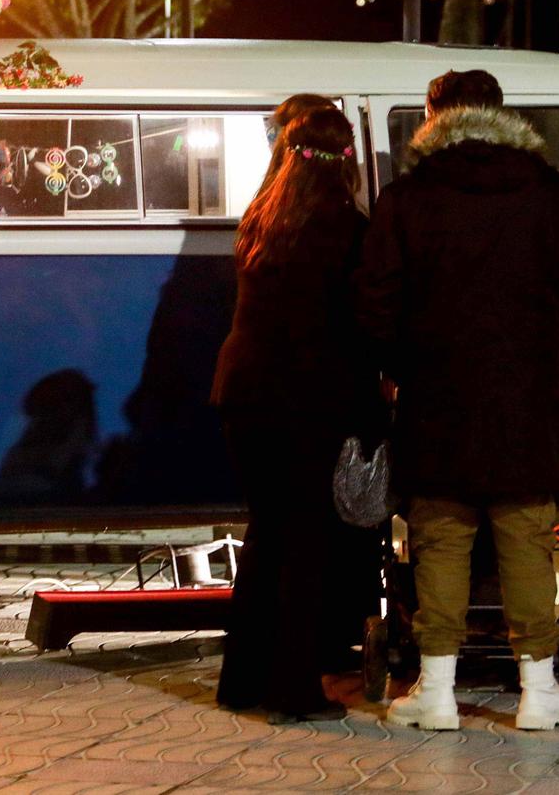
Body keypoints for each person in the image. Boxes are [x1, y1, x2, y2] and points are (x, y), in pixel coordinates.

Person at [358, 70, 559, 732]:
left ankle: (434, 690)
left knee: (440, 539)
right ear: (500, 114)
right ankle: (537, 690)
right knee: (526, 539)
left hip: (437, 399)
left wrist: (400, 364)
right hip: (530, 399)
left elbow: (376, 302)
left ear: (435, 116)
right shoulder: (550, 193)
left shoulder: (407, 196)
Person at [212, 105, 380, 721]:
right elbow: (357, 326)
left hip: (245, 393)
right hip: (309, 401)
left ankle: (242, 680)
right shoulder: (348, 228)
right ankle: (291, 689)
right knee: (309, 545)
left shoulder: (262, 218)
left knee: (267, 533)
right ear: (347, 162)